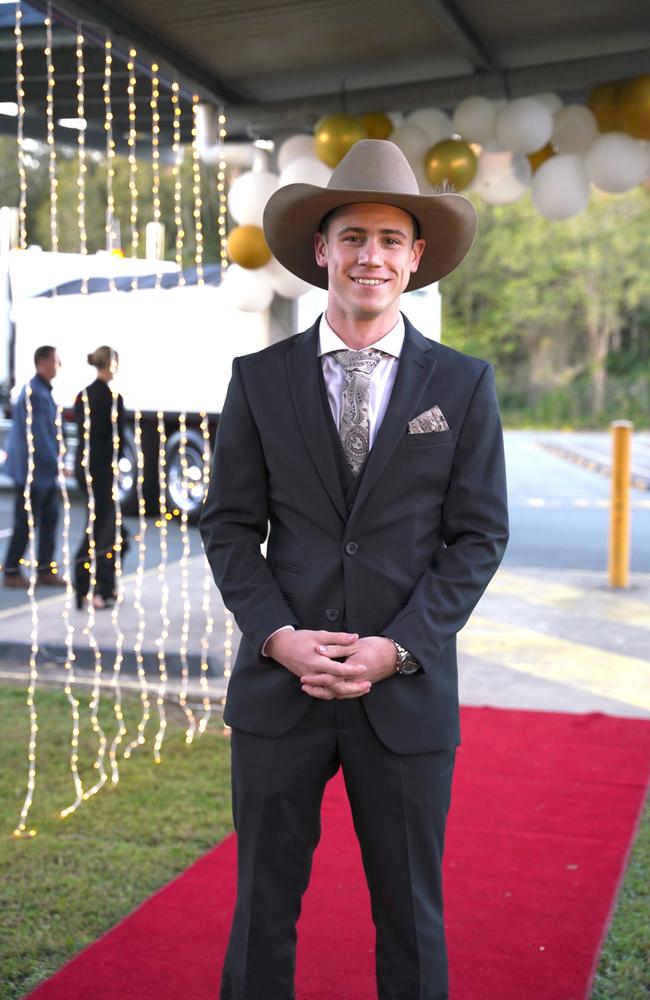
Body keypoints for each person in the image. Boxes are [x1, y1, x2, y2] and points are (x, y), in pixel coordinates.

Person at [200, 139, 509, 1000]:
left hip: (404, 695)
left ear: (415, 259)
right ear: (321, 252)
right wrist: (277, 638)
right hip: (279, 690)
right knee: (261, 913)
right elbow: (227, 525)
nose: (370, 255)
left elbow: (478, 537)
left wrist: (398, 647)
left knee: (412, 919)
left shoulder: (464, 383)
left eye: (389, 239)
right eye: (353, 237)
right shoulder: (257, 380)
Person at [3, 344, 64, 588]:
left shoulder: (40, 391)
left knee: (49, 517)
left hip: (41, 472)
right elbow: (38, 436)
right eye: (56, 360)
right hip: (33, 472)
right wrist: (56, 462)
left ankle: (44, 568)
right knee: (27, 521)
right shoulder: (35, 394)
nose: (58, 365)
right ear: (43, 363)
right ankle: (11, 570)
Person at [73, 345, 127, 610]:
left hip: (86, 470)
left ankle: (99, 588)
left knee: (109, 531)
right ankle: (94, 589)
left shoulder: (83, 396)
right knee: (101, 532)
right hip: (103, 472)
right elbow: (115, 442)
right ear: (112, 364)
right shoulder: (112, 399)